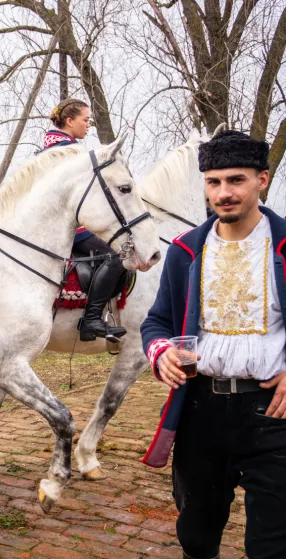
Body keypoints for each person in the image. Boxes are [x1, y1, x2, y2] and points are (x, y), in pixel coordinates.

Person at [141, 130, 286, 559]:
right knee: (197, 537)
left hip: (272, 414)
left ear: (262, 179)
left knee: (273, 543)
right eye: (214, 182)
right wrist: (162, 351)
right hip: (201, 411)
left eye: (236, 180)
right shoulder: (186, 250)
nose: (223, 193)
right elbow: (157, 322)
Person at [42, 99, 128, 343]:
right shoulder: (66, 153)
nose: (88, 125)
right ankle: (90, 319)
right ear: (70, 122)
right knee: (117, 255)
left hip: (68, 224)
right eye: (85, 120)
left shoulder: (58, 148)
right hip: (69, 228)